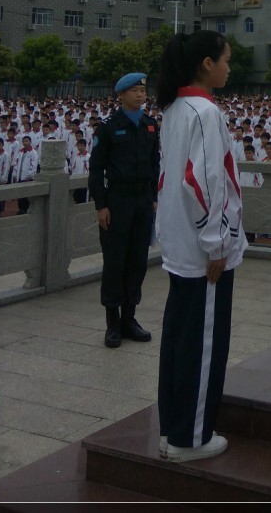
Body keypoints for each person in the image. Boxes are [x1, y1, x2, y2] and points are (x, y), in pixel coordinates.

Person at [156, 30, 245, 463]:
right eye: (226, 59)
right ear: (206, 64)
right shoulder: (204, 111)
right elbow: (204, 181)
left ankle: (171, 426)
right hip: (200, 247)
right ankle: (189, 437)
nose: (230, 67)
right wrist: (217, 243)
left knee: (178, 336)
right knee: (204, 342)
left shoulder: (173, 108)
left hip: (178, 241)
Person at [88, 72, 160, 349]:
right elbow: (96, 169)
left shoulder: (150, 124)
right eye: (134, 91)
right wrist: (100, 205)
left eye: (143, 90)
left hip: (142, 201)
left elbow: (155, 163)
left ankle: (130, 318)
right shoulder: (107, 127)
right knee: (115, 261)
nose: (141, 95)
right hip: (117, 201)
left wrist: (153, 197)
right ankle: (112, 322)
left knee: (137, 261)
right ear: (121, 95)